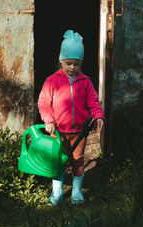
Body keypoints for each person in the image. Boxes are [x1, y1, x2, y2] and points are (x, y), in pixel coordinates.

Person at [38, 30, 104, 206]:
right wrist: (49, 121)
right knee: (58, 161)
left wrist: (98, 116)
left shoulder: (85, 81)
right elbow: (44, 103)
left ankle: (76, 192)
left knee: (78, 160)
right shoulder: (52, 81)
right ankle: (57, 192)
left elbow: (93, 101)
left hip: (79, 131)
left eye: (76, 64)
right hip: (58, 131)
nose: (72, 68)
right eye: (68, 63)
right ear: (61, 61)